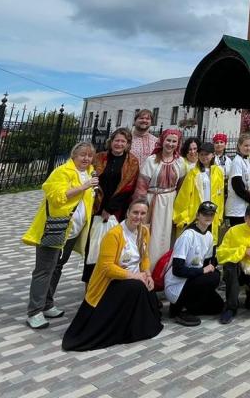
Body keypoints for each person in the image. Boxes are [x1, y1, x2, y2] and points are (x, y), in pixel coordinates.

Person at [61, 198, 162, 351]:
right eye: (135, 212)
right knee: (137, 287)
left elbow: (145, 256)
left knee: (148, 292)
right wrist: (136, 276)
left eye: (143, 213)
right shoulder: (113, 235)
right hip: (110, 283)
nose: (138, 217)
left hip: (134, 280)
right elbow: (106, 268)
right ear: (127, 213)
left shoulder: (144, 231)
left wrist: (147, 275)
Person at [22, 141, 97, 329]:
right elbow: (56, 197)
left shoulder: (89, 172)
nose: (86, 159)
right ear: (74, 156)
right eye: (82, 155)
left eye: (89, 155)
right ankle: (34, 311)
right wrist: (84, 186)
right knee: (44, 269)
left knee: (57, 267)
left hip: (72, 231)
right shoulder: (62, 172)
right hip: (55, 228)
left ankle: (47, 304)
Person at [83, 127, 141, 282]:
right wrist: (100, 207)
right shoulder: (99, 158)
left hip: (117, 211)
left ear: (128, 144)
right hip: (95, 207)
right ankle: (91, 284)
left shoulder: (132, 162)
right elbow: (90, 176)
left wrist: (109, 209)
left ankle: (111, 282)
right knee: (94, 248)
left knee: (114, 247)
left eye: (123, 141)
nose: (119, 144)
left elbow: (129, 187)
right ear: (111, 141)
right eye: (117, 140)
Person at [134, 127, 188, 268]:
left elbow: (182, 186)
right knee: (150, 236)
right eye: (168, 140)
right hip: (152, 201)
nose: (170, 144)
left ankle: (162, 270)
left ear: (178, 144)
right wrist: (141, 206)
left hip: (170, 202)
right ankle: (146, 268)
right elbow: (141, 186)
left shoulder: (180, 162)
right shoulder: (152, 160)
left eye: (174, 141)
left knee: (166, 236)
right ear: (162, 141)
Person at [164, 201, 224, 326]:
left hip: (193, 279)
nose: (208, 217)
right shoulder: (187, 236)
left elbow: (207, 263)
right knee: (212, 278)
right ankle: (179, 308)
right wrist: (202, 271)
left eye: (211, 214)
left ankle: (191, 306)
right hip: (178, 283)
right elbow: (177, 270)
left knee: (218, 306)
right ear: (198, 215)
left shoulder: (208, 236)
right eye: (205, 214)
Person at [173, 139, 225, 242]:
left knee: (209, 242)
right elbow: (184, 195)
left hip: (212, 212)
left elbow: (220, 195)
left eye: (207, 154)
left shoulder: (218, 172)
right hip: (197, 212)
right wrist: (182, 216)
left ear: (213, 155)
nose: (204, 157)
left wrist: (219, 216)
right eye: (201, 154)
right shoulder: (193, 173)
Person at [225, 133, 250, 226]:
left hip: (244, 208)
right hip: (236, 209)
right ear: (239, 146)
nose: (248, 148)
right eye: (246, 145)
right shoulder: (237, 161)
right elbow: (237, 185)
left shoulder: (247, 160)